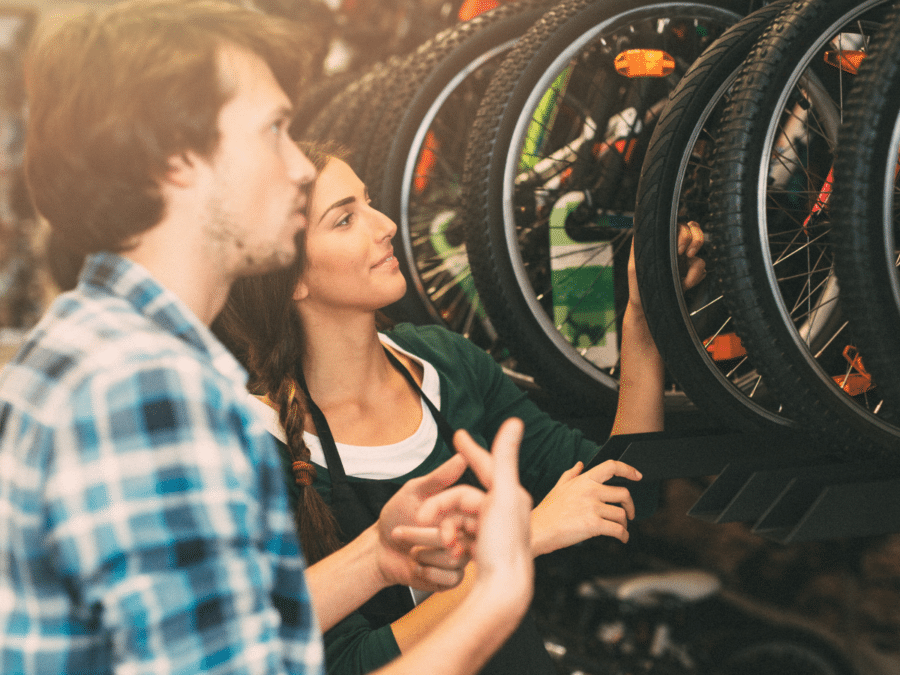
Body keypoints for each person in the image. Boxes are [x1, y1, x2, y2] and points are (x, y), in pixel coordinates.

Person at [0, 2, 537, 674]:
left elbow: (203, 627)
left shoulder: (103, 343)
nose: (301, 167)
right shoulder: (145, 393)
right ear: (178, 160)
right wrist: (498, 592)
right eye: (274, 129)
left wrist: (373, 556)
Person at [215, 142, 706, 675]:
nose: (385, 225)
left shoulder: (443, 361)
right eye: (345, 219)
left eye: (370, 201)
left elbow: (623, 492)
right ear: (292, 278)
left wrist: (642, 322)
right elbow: (350, 664)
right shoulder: (257, 448)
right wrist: (524, 539)